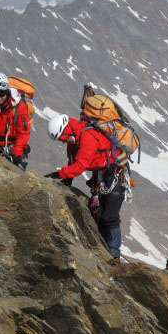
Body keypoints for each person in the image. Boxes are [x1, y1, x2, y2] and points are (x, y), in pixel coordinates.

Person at [45, 113, 126, 264]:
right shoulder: (74, 140)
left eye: (63, 138)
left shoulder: (87, 137)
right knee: (99, 215)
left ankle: (114, 254)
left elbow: (80, 166)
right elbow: (73, 162)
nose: (63, 142)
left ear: (67, 131)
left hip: (113, 174)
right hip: (101, 175)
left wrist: (58, 173)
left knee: (109, 216)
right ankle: (105, 251)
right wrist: (66, 179)